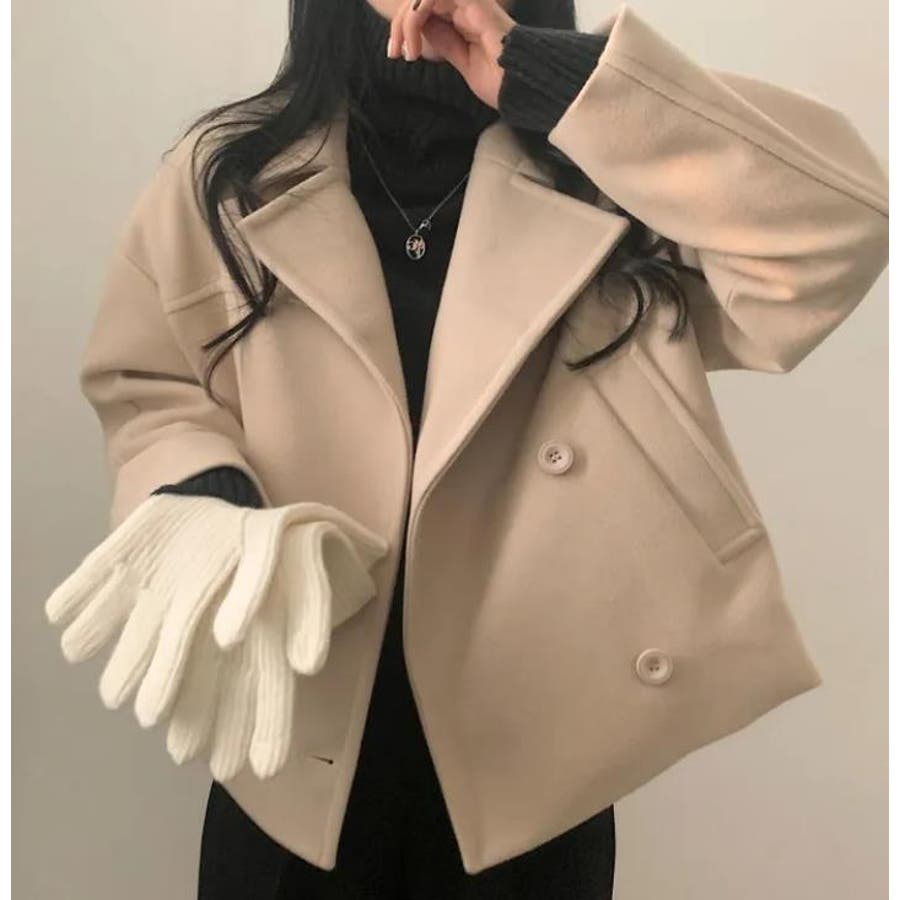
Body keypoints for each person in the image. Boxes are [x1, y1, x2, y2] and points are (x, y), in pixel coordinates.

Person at [59, 0, 889, 897]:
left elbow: (836, 229)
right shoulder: (229, 175)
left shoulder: (610, 180)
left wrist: (550, 80)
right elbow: (149, 381)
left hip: (532, 769)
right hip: (291, 744)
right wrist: (206, 492)